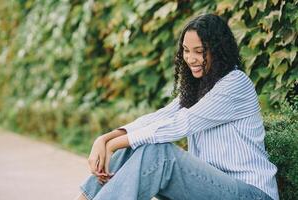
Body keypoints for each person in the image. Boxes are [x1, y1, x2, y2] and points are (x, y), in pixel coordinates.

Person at [76, 14, 279, 200]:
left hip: (251, 194)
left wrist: (113, 145)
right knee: (137, 145)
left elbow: (181, 124)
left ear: (218, 51)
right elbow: (160, 117)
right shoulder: (201, 86)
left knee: (159, 154)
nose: (190, 59)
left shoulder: (234, 83)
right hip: (215, 189)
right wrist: (104, 139)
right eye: (186, 50)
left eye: (200, 52)